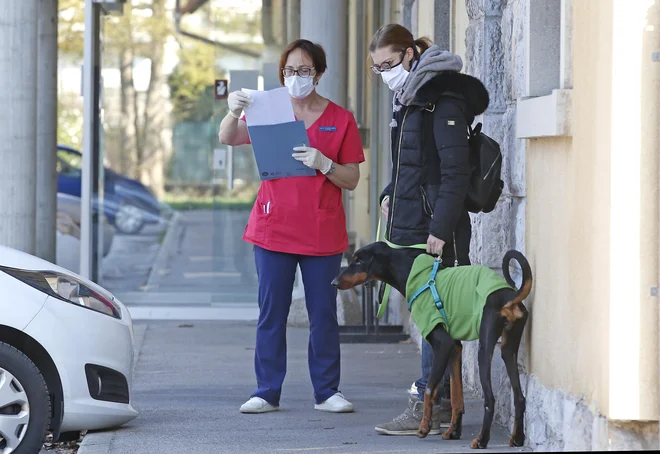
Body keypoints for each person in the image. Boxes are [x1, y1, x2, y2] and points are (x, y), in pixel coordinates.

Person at [218, 39, 365, 414]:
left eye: (303, 70)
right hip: (274, 227)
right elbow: (228, 137)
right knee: (272, 312)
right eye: (288, 71)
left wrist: (325, 163)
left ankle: (327, 392)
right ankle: (266, 391)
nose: (295, 77)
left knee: (323, 314)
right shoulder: (268, 109)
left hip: (321, 230)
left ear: (318, 73)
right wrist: (233, 112)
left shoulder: (340, 119)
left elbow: (351, 179)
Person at [368, 24, 489, 435]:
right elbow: (412, 162)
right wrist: (388, 192)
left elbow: (455, 172)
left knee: (436, 315)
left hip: (437, 228)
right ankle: (433, 402)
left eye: (388, 64)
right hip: (412, 223)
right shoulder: (410, 98)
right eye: (377, 68)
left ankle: (429, 402)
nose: (384, 73)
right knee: (427, 314)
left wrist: (439, 228)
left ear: (407, 54)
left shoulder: (442, 99)